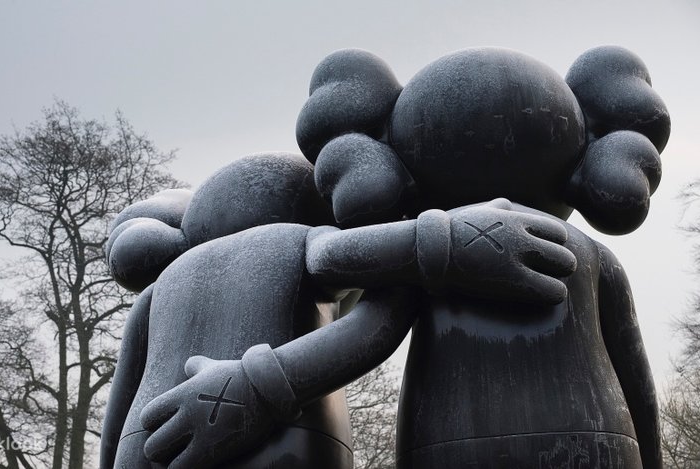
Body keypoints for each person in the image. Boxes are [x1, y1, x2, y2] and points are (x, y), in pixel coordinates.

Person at [141, 46, 669, 468]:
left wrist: (255, 387)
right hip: (597, 440)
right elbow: (637, 382)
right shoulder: (590, 256)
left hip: (443, 443)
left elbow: (353, 294)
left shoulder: (419, 266)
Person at [101, 152, 571, 468]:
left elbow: (118, 409)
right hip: (275, 433)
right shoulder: (300, 239)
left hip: (147, 439)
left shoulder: (158, 289)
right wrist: (452, 239)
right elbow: (372, 321)